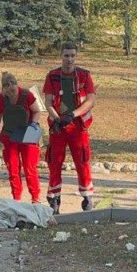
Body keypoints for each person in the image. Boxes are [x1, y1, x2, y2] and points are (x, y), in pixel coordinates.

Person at [43, 41, 97, 214]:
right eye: (66, 55)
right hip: (58, 127)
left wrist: (72, 115)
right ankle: (54, 198)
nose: (69, 59)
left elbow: (90, 101)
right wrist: (57, 118)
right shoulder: (52, 76)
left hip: (78, 127)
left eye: (72, 55)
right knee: (55, 162)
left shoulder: (84, 76)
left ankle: (87, 198)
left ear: (76, 56)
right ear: (61, 56)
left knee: (82, 161)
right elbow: (48, 102)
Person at [0, 72, 45, 203]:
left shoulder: (26, 95)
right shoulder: (0, 99)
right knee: (13, 169)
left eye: (14, 90)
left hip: (28, 133)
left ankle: (35, 198)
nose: (12, 94)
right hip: (9, 135)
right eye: (8, 92)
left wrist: (34, 123)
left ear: (16, 85)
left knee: (29, 168)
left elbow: (37, 111)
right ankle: (16, 199)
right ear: (3, 89)